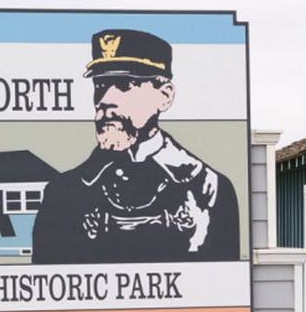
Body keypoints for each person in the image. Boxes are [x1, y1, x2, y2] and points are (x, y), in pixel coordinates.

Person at [32, 29, 239, 264]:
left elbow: (222, 286)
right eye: (100, 85)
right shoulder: (64, 191)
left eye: (124, 85)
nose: (104, 100)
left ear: (165, 95)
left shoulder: (207, 187)